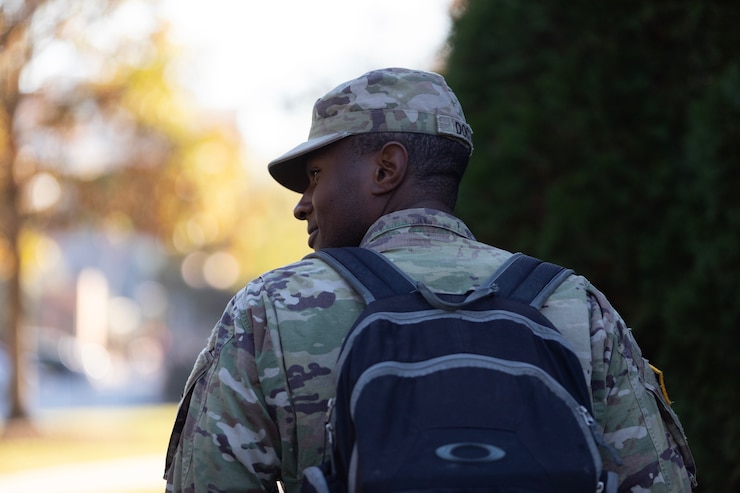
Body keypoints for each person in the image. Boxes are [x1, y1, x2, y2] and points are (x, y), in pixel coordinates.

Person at [164, 67, 697, 493]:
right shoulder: (575, 306)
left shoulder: (269, 311)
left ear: (386, 169)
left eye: (316, 175)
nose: (302, 205)